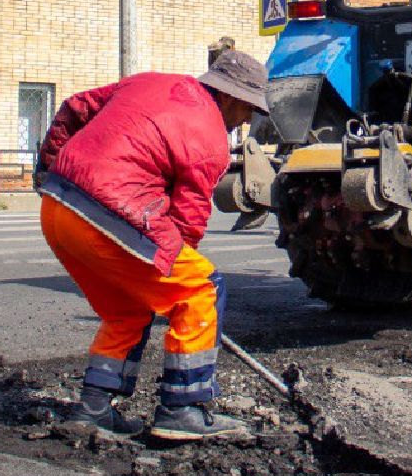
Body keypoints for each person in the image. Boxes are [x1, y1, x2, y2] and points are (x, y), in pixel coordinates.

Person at [35, 50, 268, 441]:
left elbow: (74, 108)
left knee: (128, 310)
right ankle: (183, 409)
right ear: (228, 96)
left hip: (58, 207)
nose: (245, 120)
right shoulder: (210, 138)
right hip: (113, 214)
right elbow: (186, 224)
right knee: (202, 289)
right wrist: (174, 283)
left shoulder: (147, 81)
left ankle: (92, 411)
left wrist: (49, 168)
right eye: (247, 109)